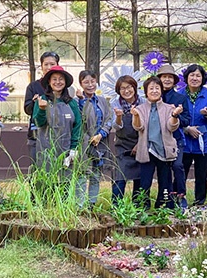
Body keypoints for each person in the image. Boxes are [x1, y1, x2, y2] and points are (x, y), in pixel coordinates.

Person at [131, 76, 182, 209]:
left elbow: (172, 127)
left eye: (157, 88)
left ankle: (164, 207)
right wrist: (135, 115)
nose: (154, 91)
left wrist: (175, 115)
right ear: (146, 92)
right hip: (147, 150)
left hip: (164, 150)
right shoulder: (140, 108)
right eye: (151, 88)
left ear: (161, 90)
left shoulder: (168, 108)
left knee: (165, 182)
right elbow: (138, 127)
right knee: (145, 182)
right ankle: (143, 207)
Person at [33, 65, 82, 196]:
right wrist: (42, 110)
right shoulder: (42, 100)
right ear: (49, 82)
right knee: (46, 183)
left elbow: (78, 125)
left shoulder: (71, 103)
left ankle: (63, 213)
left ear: (65, 82)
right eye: (54, 79)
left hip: (66, 150)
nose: (58, 82)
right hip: (45, 149)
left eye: (61, 79)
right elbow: (38, 122)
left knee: (64, 184)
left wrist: (74, 148)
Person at [180, 64, 207, 206]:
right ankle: (179, 200)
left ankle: (199, 203)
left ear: (203, 78)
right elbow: (173, 118)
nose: (195, 78)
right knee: (180, 174)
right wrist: (187, 128)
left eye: (198, 75)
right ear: (186, 77)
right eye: (192, 75)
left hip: (204, 142)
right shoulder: (180, 94)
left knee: (201, 175)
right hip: (184, 143)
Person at [75, 70, 113, 208]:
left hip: (100, 143)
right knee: (82, 175)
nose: (90, 85)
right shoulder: (77, 101)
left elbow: (109, 119)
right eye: (86, 82)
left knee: (96, 175)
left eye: (92, 81)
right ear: (80, 84)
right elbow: (81, 119)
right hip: (84, 144)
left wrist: (101, 134)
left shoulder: (102, 101)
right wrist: (81, 100)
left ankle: (91, 204)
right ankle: (79, 206)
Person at [157, 65, 191, 207]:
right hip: (158, 140)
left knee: (178, 166)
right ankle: (165, 200)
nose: (167, 80)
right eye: (164, 77)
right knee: (163, 171)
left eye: (170, 77)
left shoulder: (180, 98)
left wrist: (175, 115)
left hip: (176, 140)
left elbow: (187, 120)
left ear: (175, 80)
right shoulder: (153, 97)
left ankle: (181, 196)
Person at [110, 76, 146, 206]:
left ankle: (137, 207)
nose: (126, 91)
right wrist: (119, 117)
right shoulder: (115, 104)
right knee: (119, 178)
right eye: (122, 88)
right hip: (122, 145)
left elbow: (146, 126)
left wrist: (140, 144)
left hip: (140, 143)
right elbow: (115, 126)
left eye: (129, 87)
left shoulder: (143, 102)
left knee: (139, 179)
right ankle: (116, 207)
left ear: (134, 87)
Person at [24, 51, 60, 163]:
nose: (49, 67)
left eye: (52, 64)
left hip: (58, 136)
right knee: (36, 172)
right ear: (41, 66)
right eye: (46, 64)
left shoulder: (61, 86)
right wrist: (35, 103)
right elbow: (27, 109)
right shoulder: (33, 86)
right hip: (36, 136)